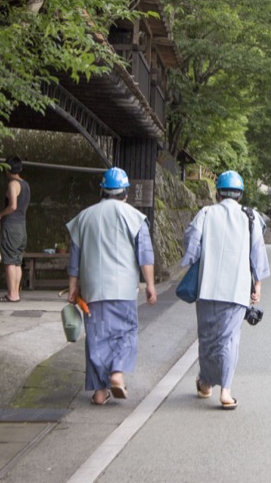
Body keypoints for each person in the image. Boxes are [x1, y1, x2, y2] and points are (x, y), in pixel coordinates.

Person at [66, 167, 158, 406]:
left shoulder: (84, 217)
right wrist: (150, 284)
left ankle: (99, 392)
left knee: (96, 337)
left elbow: (74, 258)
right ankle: (117, 372)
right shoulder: (135, 217)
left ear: (102, 190)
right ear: (125, 192)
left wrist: (73, 286)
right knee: (125, 332)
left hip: (93, 290)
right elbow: (145, 256)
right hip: (123, 288)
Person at [182, 169, 270, 410]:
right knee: (228, 339)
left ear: (218, 193)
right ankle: (226, 391)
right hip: (236, 289)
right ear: (240, 194)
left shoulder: (206, 213)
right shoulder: (250, 217)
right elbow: (257, 253)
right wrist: (257, 285)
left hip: (207, 287)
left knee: (208, 338)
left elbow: (191, 244)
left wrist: (195, 258)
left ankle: (206, 383)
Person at [0, 156, 29, 302]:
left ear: (8, 169)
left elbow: (13, 206)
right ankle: (16, 293)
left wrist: (0, 214)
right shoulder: (26, 184)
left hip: (11, 225)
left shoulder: (13, 184)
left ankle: (12, 294)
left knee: (9, 260)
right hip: (22, 225)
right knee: (17, 261)